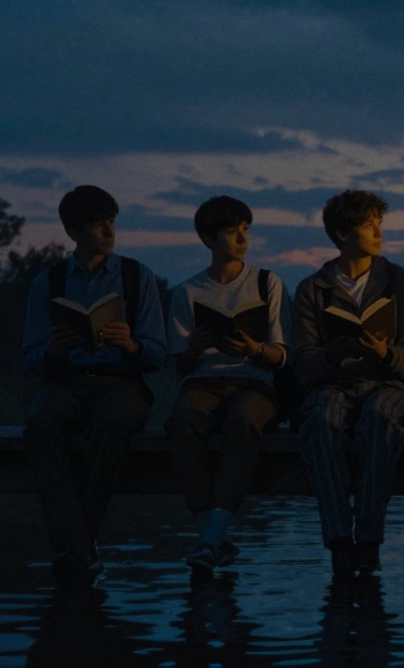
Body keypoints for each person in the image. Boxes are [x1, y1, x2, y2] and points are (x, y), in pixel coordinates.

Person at [20, 184, 166, 585]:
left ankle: (76, 546)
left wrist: (131, 344)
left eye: (111, 221)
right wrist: (53, 351)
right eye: (97, 224)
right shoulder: (48, 284)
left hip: (120, 381)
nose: (108, 231)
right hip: (66, 380)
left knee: (115, 420)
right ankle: (81, 547)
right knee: (41, 423)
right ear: (72, 232)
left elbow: (157, 355)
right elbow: (31, 360)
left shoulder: (137, 277)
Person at [292, 189, 404, 578]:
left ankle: (368, 539)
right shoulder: (311, 289)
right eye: (368, 225)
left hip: (387, 384)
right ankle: (338, 543)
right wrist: (333, 354)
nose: (379, 232)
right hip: (332, 384)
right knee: (319, 418)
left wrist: (385, 354)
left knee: (382, 415)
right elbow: (302, 365)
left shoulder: (400, 281)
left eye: (379, 223)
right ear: (341, 233)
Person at [166, 196, 290, 573]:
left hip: (254, 382)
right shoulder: (187, 292)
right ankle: (212, 539)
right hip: (204, 381)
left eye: (246, 230)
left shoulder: (267, 283)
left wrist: (254, 349)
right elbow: (181, 366)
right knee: (181, 423)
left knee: (243, 422)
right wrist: (196, 348)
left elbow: (282, 355)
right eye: (232, 231)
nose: (242, 238)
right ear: (208, 239)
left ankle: (210, 538)